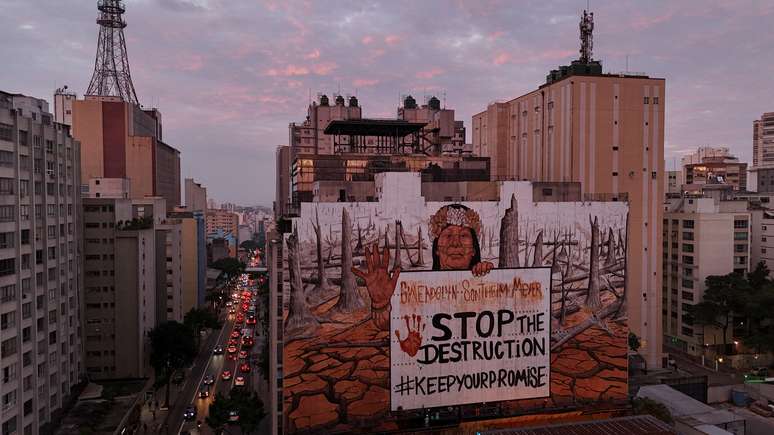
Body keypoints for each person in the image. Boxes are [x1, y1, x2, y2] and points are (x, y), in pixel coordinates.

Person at [352, 204, 493, 331]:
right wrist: (380, 304)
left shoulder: (489, 284)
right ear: (436, 249)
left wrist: (491, 278)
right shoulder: (419, 291)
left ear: (474, 249)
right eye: (448, 235)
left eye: (463, 235)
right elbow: (390, 324)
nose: (455, 243)